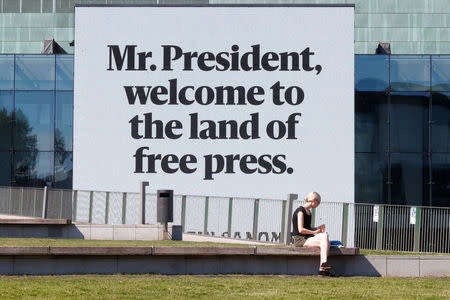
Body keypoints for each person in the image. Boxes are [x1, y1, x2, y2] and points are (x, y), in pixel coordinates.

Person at [292, 191, 332, 276]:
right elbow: (301, 230)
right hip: (300, 239)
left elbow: (307, 227)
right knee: (325, 241)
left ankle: (323, 266)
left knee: (325, 236)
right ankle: (322, 268)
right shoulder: (300, 211)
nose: (318, 205)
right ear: (314, 200)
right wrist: (314, 232)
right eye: (318, 202)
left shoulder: (309, 212)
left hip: (307, 238)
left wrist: (316, 229)